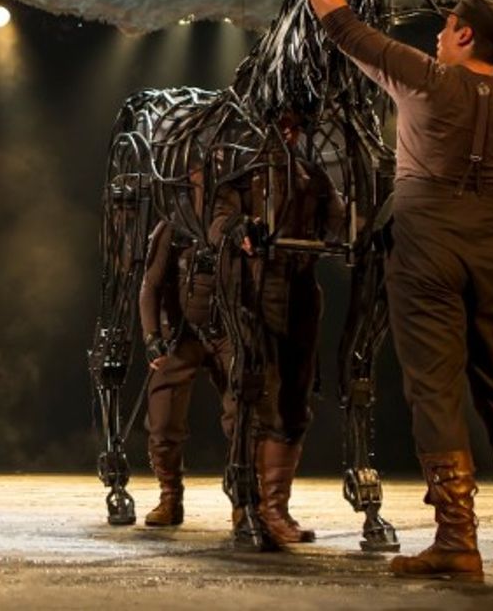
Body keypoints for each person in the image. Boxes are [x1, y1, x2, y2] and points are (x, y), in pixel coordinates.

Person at [307, 0, 493, 582]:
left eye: (445, 26)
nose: (435, 35)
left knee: (435, 389)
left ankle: (458, 541)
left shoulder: (425, 79)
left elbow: (342, 26)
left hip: (426, 253)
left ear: (462, 37)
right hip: (489, 257)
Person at [138, 127, 343, 540]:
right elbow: (151, 284)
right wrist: (152, 337)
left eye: (212, 171)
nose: (206, 179)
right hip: (185, 332)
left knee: (246, 413)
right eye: (200, 172)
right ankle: (169, 495)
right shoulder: (176, 224)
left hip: (232, 328)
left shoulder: (245, 202)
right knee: (162, 418)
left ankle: (246, 502)